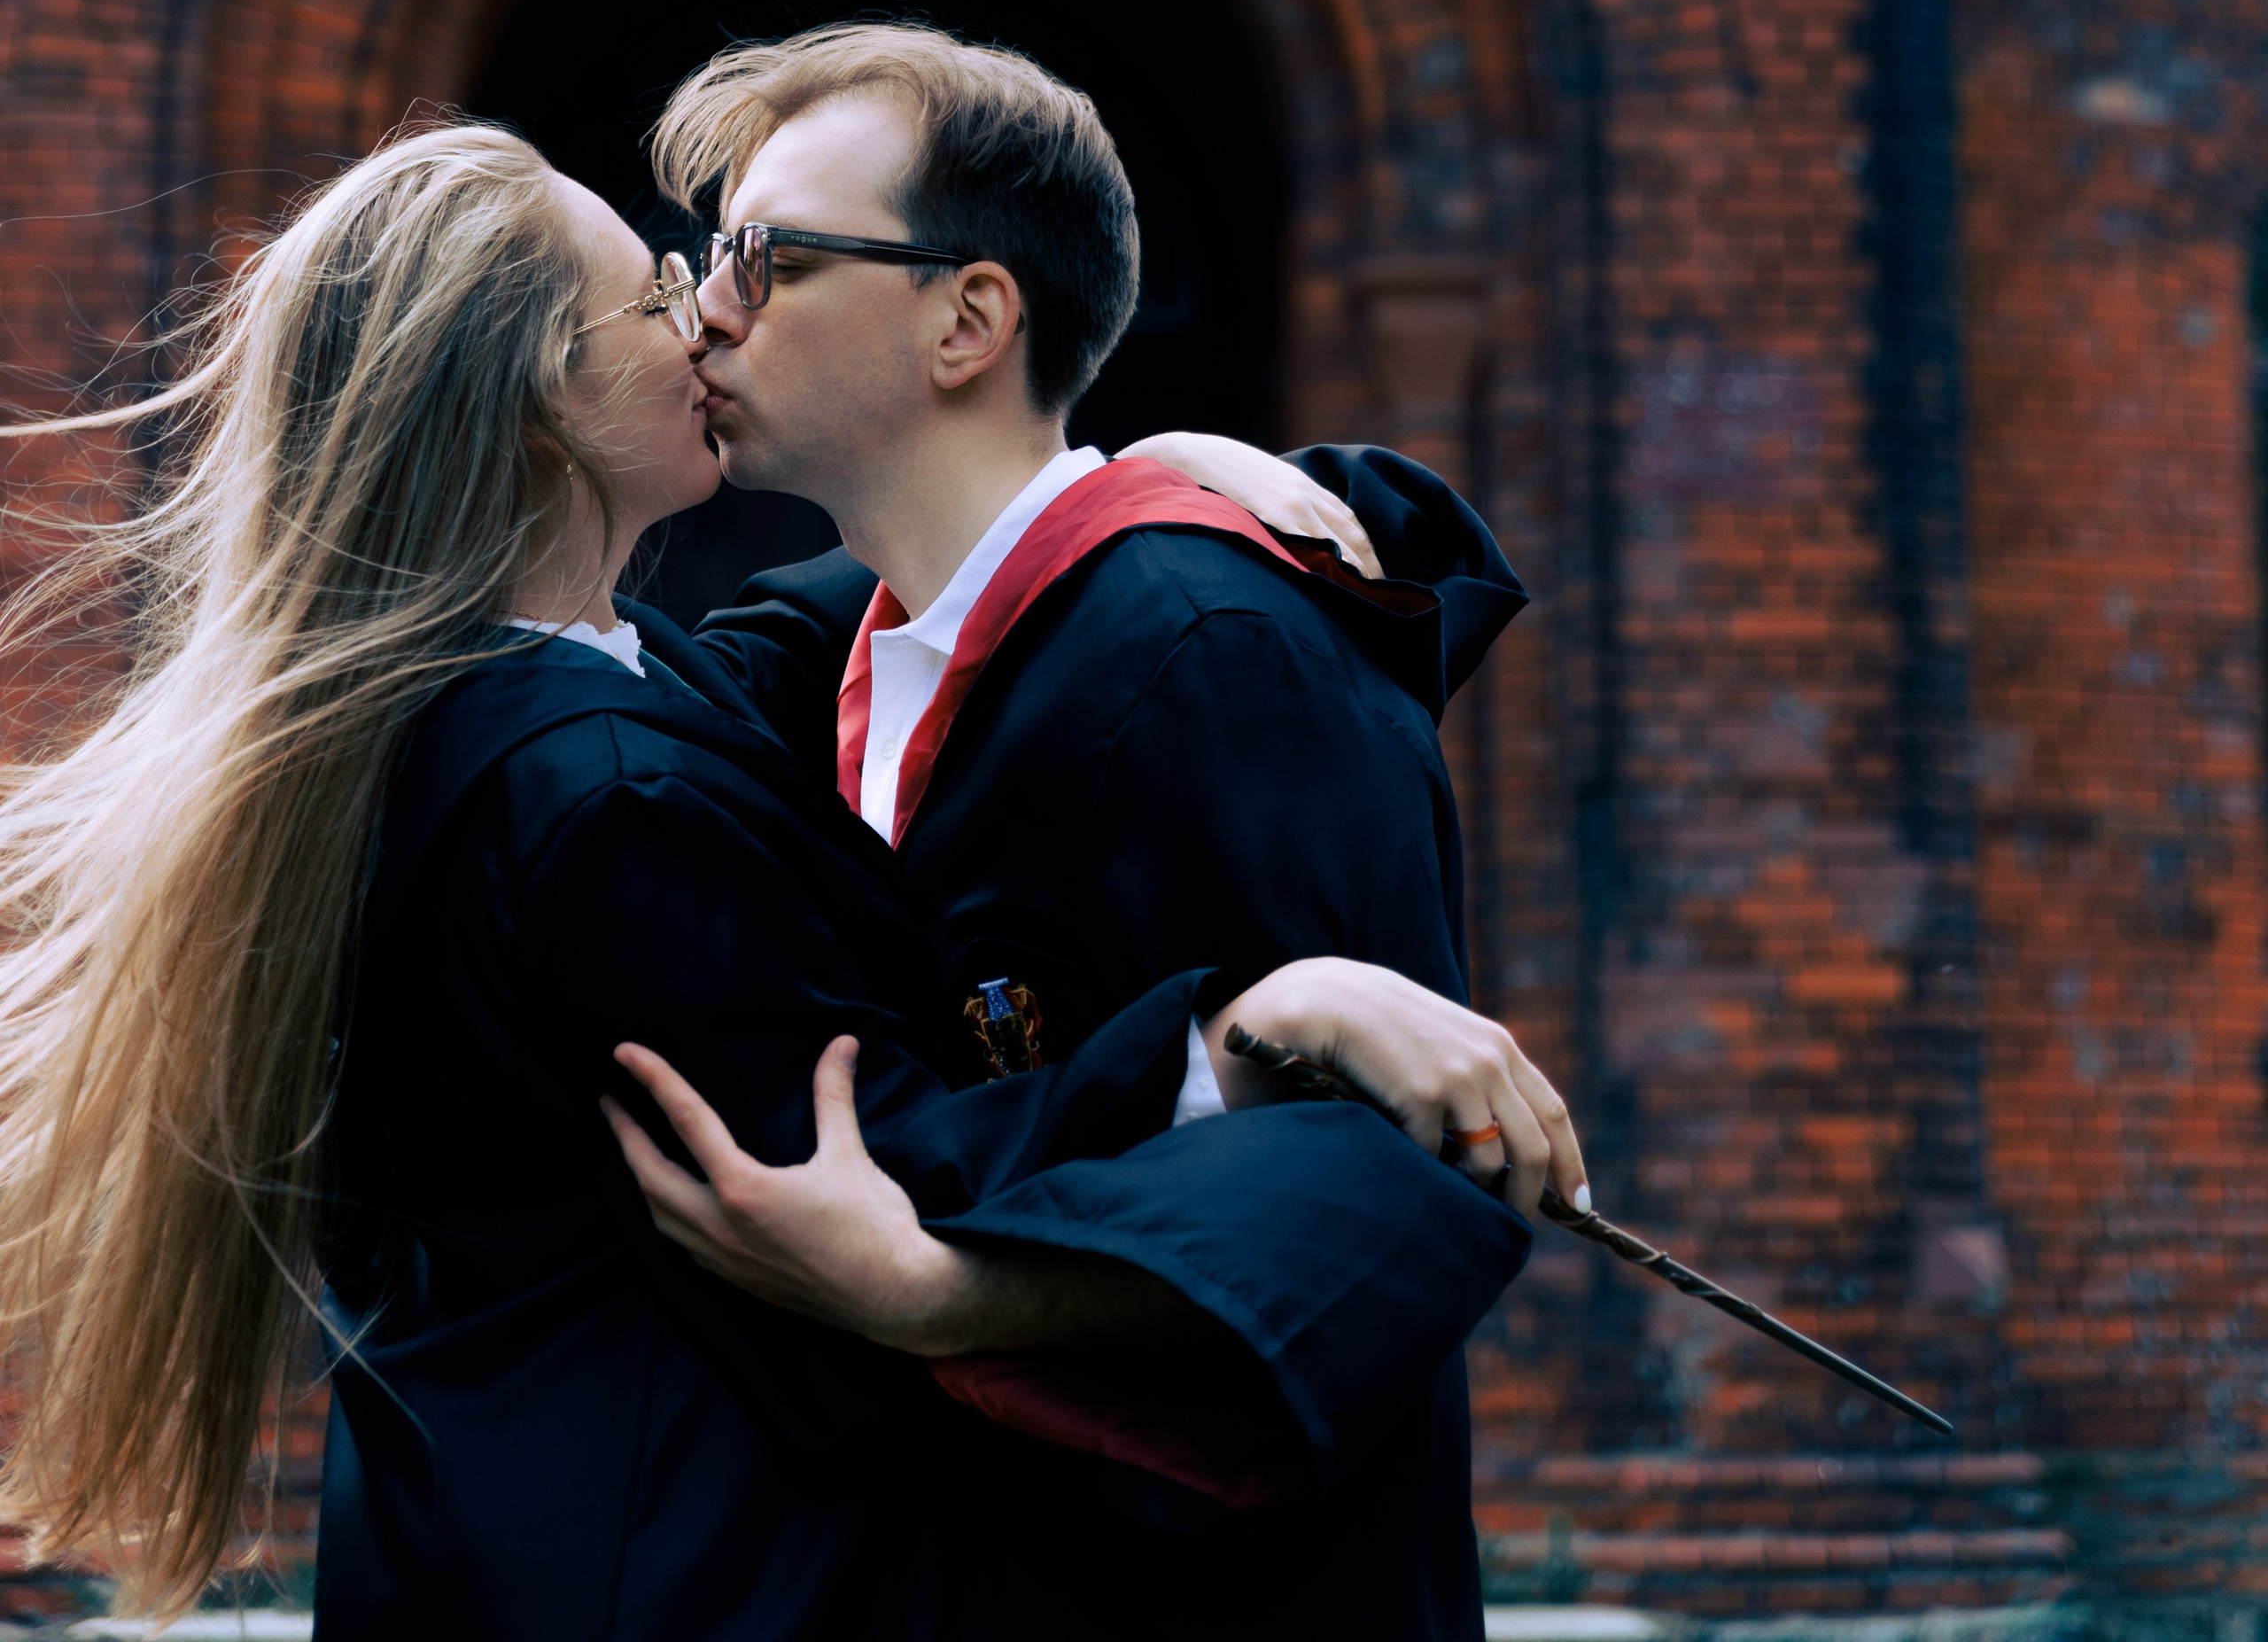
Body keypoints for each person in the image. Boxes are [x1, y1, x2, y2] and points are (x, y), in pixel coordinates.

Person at [0, 121, 1561, 1641]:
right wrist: (1258, 1028)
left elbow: (857, 611)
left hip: (506, 1515)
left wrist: (1137, 471)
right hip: (653, 1559)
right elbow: (875, 1154)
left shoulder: (504, 696)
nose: (706, 318)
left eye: (752, 266)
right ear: (549, 399)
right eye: (660, 292)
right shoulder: (598, 791)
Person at [641, 23, 1560, 1642]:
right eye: (718, 255)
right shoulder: (844, 649)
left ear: (968, 319)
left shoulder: (1211, 649)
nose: (707, 309)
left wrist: (937, 1300)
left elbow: (1365, 1211)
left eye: (770, 258)